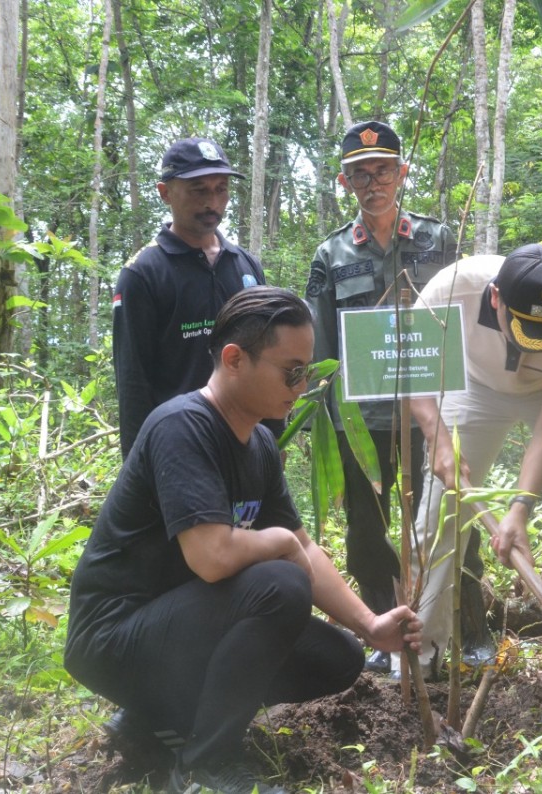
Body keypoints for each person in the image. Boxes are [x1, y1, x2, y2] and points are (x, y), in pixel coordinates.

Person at [65, 287, 422, 794]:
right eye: (291, 371)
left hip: (178, 629)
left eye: (307, 372)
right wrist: (279, 543)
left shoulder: (257, 443)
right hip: (113, 638)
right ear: (234, 359)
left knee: (338, 657)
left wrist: (370, 625)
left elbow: (304, 544)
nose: (301, 386)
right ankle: (206, 763)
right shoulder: (182, 426)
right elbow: (212, 558)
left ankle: (156, 721)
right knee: (279, 584)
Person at [405, 245, 542, 672]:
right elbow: (415, 365)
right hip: (472, 383)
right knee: (439, 511)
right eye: (527, 328)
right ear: (495, 298)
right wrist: (435, 435)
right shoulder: (450, 290)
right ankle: (421, 654)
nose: (539, 342)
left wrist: (520, 507)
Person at [305, 120, 474, 674]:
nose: (371, 181)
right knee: (365, 529)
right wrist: (319, 421)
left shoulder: (437, 239)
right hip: (362, 417)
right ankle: (386, 630)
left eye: (381, 169)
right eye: (359, 173)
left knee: (448, 516)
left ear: (401, 173)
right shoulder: (330, 255)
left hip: (432, 414)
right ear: (344, 182)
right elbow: (321, 346)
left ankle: (466, 628)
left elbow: (461, 321)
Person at [113, 137, 267, 459]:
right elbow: (133, 384)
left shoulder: (245, 265)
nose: (212, 202)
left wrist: (271, 440)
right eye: (199, 190)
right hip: (177, 450)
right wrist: (139, 470)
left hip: (243, 445)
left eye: (221, 188)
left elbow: (265, 358)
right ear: (165, 193)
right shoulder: (143, 274)